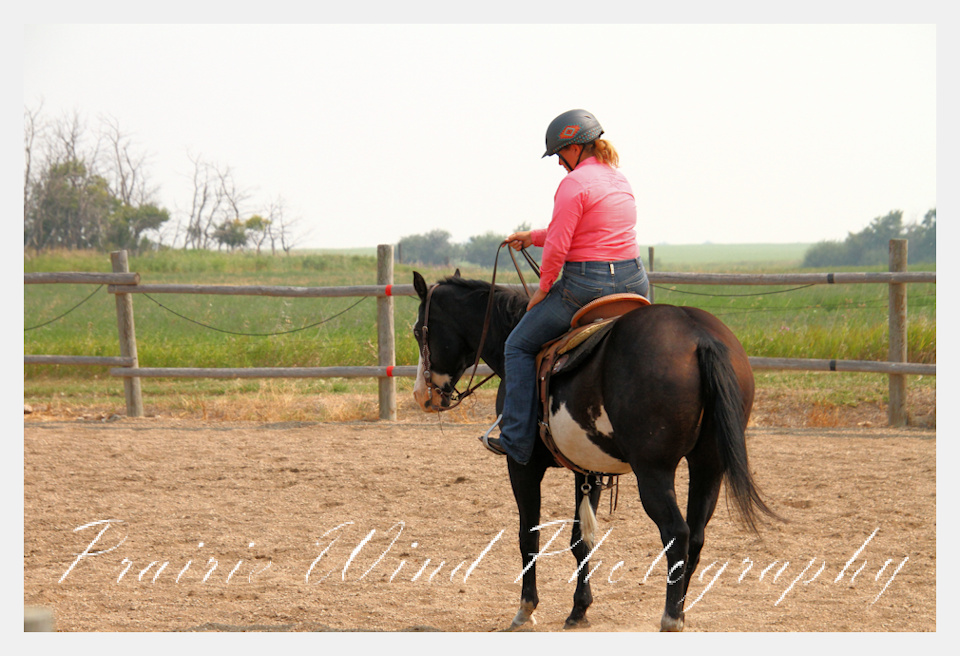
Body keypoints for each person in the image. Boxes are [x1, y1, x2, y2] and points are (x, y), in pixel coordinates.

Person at [481, 109, 649, 464]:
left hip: (587, 286)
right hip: (634, 282)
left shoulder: (573, 184)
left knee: (517, 346)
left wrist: (543, 289)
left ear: (574, 148)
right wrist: (533, 237)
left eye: (559, 154)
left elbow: (559, 244)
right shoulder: (619, 179)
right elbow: (582, 229)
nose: (559, 162)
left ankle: (516, 439)